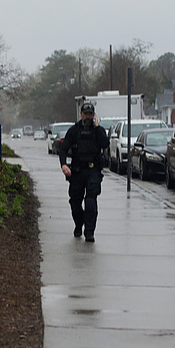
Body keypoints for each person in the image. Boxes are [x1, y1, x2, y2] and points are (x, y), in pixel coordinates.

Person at [58, 101, 110, 242]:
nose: (88, 117)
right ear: (81, 114)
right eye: (85, 114)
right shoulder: (74, 131)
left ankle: (89, 232)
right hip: (77, 171)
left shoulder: (98, 130)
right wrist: (63, 165)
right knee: (75, 202)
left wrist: (97, 127)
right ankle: (79, 224)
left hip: (93, 170)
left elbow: (105, 143)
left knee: (91, 201)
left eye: (90, 114)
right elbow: (63, 149)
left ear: (94, 115)